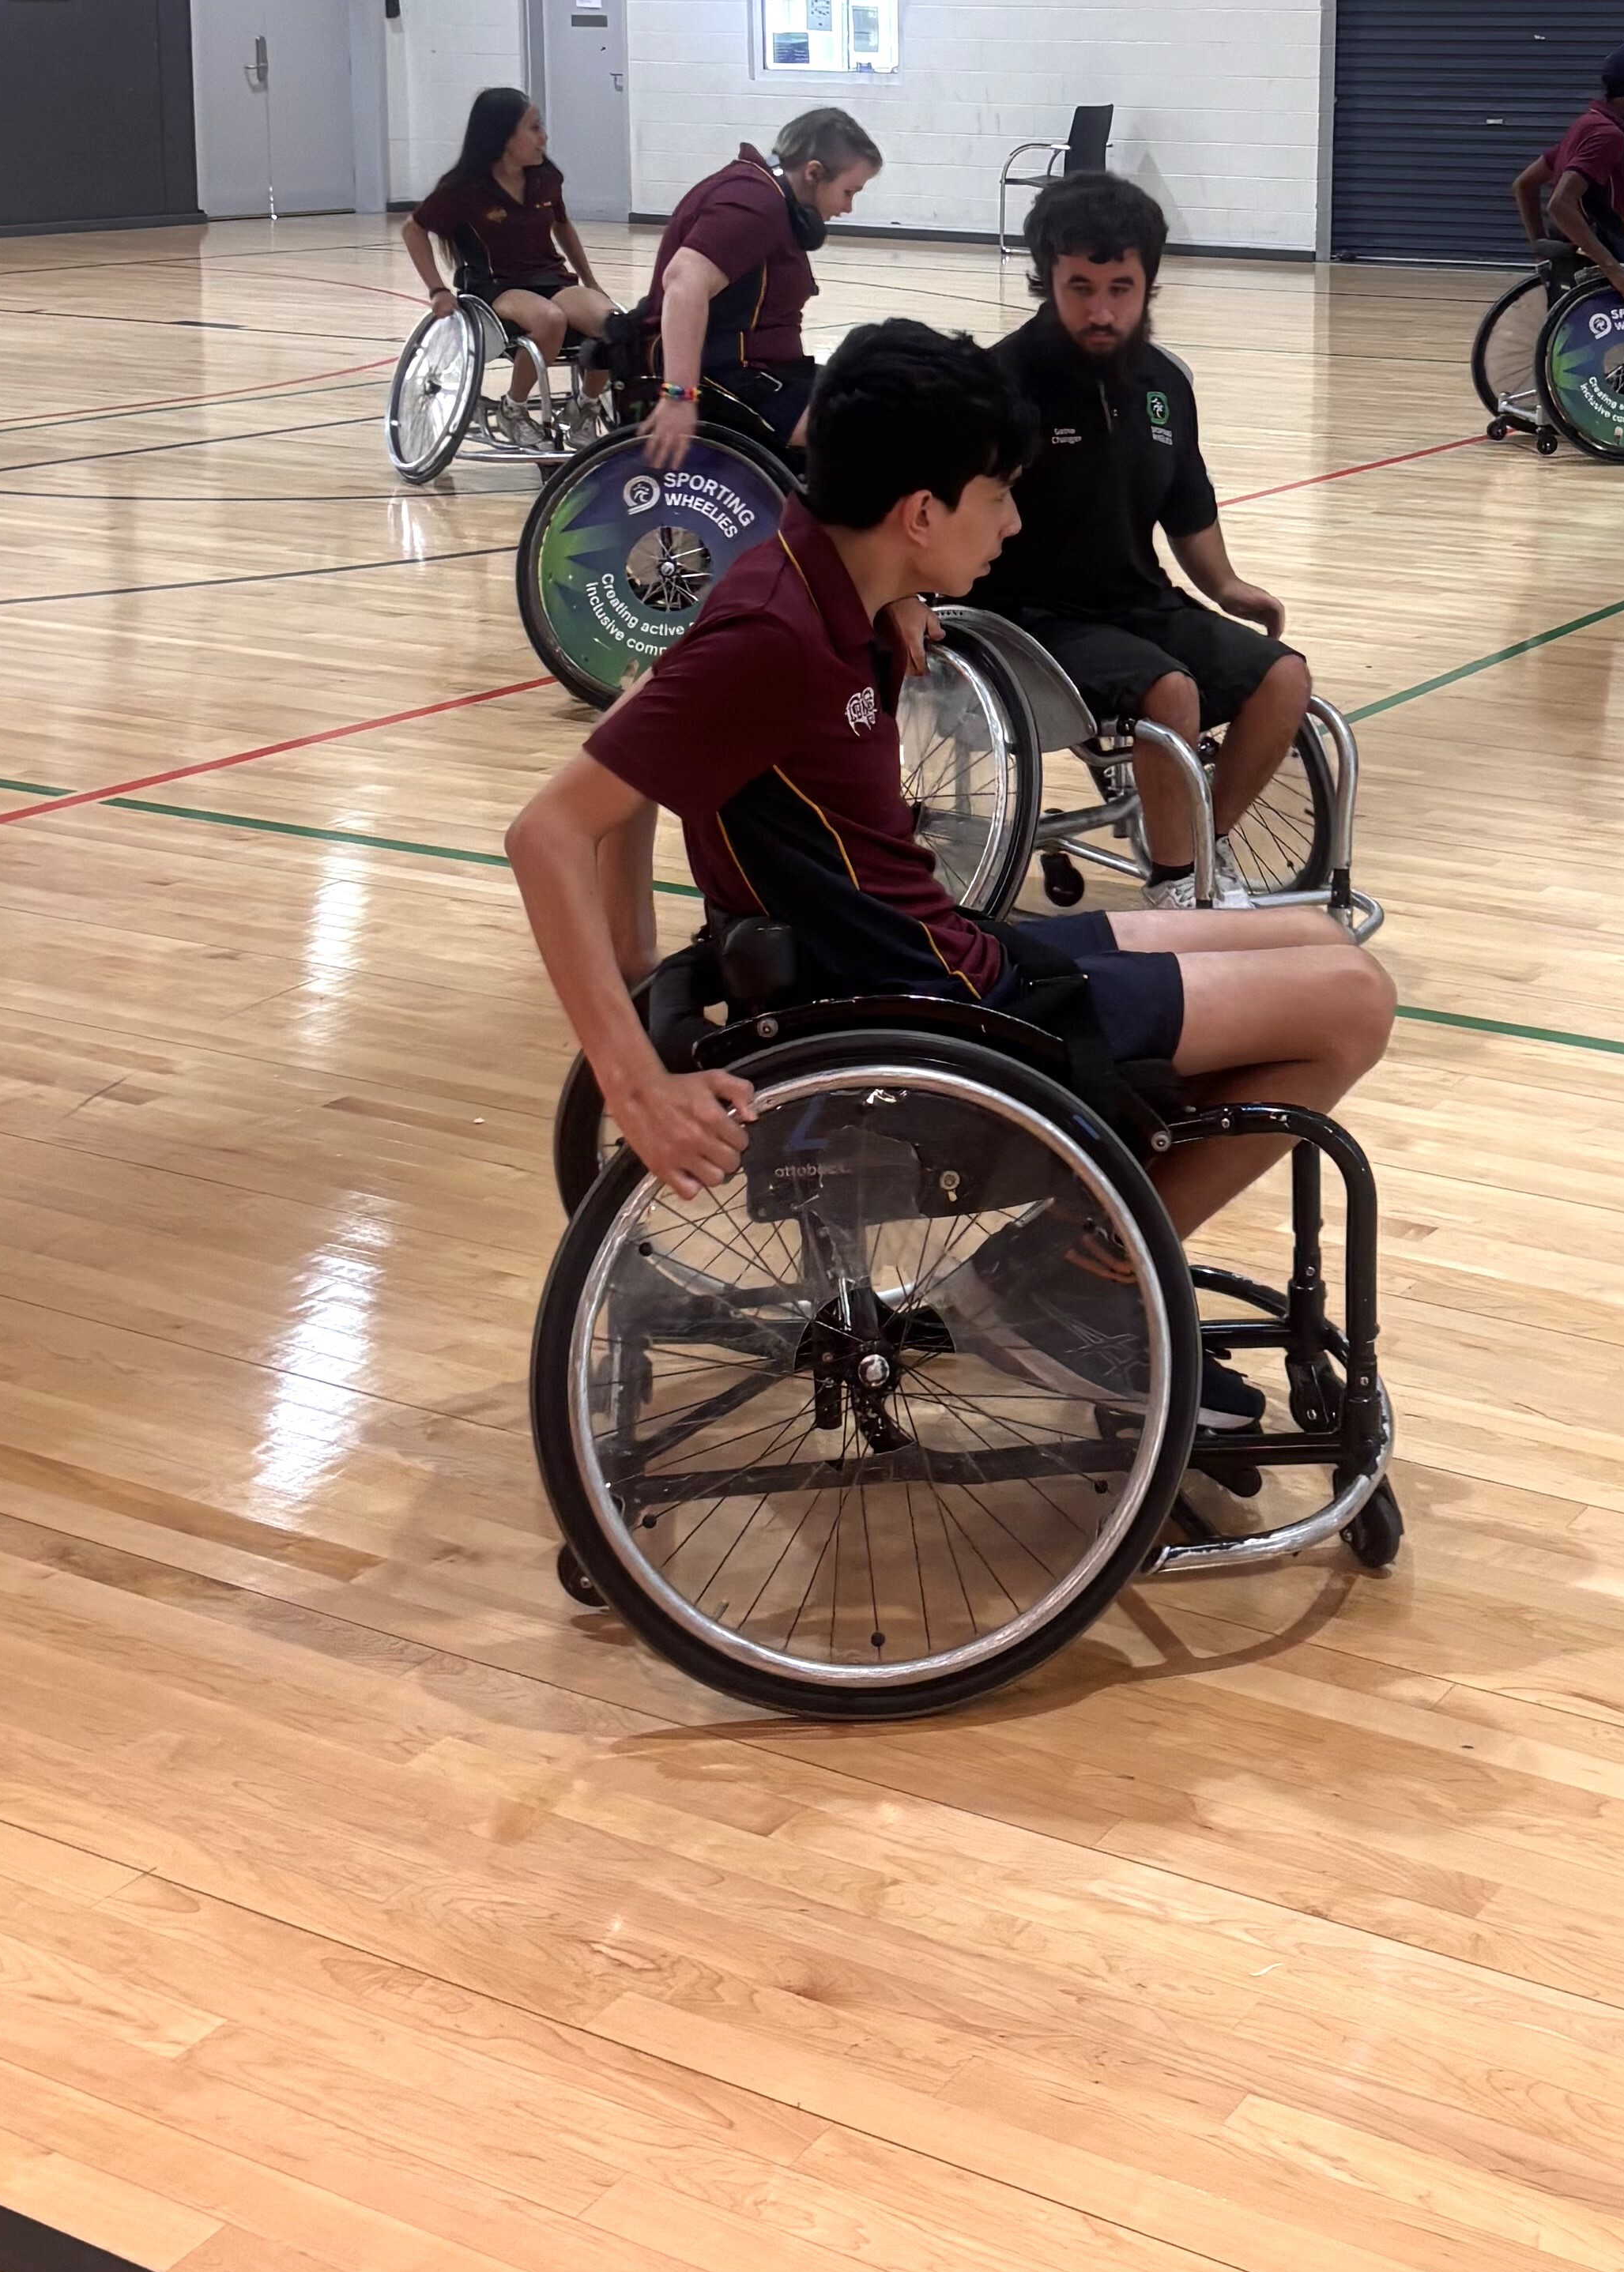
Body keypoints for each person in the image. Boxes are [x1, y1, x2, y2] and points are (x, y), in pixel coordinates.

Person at [504, 322, 1396, 1392]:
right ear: (919, 512)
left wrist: (898, 591)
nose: (1015, 522)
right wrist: (635, 1077)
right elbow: (546, 831)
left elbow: (650, 703)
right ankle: (1079, 1275)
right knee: (1351, 1000)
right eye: (999, 496)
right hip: (925, 1007)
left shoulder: (811, 567)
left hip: (936, 955)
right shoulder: (773, 641)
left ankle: (1078, 1253)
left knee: (1306, 934)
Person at [981, 171, 1314, 902]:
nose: (1100, 311)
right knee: (1169, 690)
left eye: (1120, 289)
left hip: (1133, 601)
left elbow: (1186, 504)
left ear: (1148, 283)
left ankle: (1199, 847)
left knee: (1283, 677)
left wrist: (1225, 585)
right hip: (1027, 617)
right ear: (1049, 280)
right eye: (1079, 288)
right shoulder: (1001, 383)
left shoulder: (1163, 383)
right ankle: (1173, 884)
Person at [641, 104, 880, 473]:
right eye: (849, 191)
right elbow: (683, 282)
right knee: (881, 426)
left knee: (886, 392)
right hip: (731, 379)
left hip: (765, 372)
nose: (848, 207)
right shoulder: (755, 204)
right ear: (814, 173)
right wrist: (679, 397)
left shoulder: (765, 194)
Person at [403, 89, 616, 418]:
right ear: (503, 137)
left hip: (551, 278)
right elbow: (413, 230)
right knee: (550, 320)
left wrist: (590, 280)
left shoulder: (546, 177)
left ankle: (584, 407)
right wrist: (438, 289)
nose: (543, 137)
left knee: (616, 325)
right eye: (533, 128)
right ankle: (513, 409)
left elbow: (562, 225)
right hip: (496, 286)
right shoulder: (463, 189)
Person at [1509, 46, 1624, 282]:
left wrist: (1541, 250)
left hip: (1602, 249)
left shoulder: (1588, 123)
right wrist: (1612, 269)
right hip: (1608, 253)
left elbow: (1523, 185)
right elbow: (1560, 204)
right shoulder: (1607, 135)